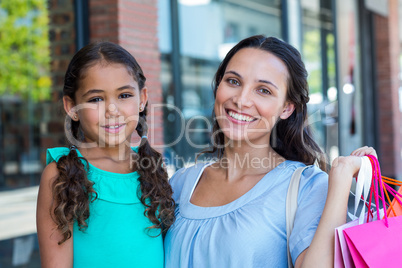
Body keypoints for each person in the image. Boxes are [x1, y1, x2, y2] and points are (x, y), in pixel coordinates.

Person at [164, 35, 376, 268]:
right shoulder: (181, 184)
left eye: (263, 90)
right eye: (233, 81)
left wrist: (341, 181)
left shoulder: (307, 187)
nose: (241, 100)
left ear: (286, 108)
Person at [36, 42, 175, 268]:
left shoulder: (152, 169)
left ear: (142, 98)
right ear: (72, 107)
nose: (112, 110)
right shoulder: (61, 176)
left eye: (124, 95)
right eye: (96, 99)